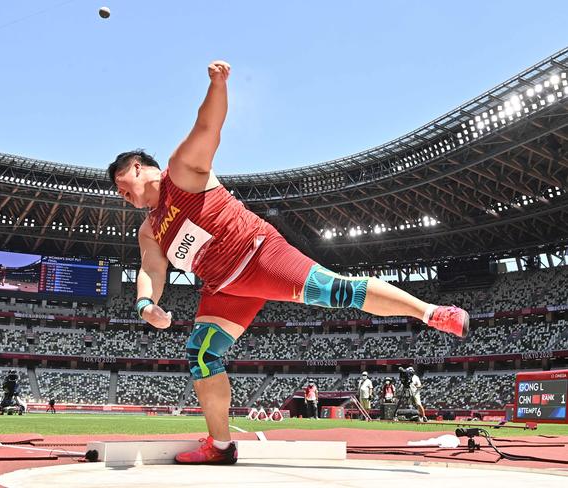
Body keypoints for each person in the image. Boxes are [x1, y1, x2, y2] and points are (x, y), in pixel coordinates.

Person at [108, 60, 469, 465]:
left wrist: (218, 85)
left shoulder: (180, 173)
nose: (122, 196)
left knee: (337, 290)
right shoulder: (149, 229)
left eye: (121, 186)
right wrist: (146, 304)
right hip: (222, 288)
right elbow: (151, 270)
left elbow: (208, 127)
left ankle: (433, 312)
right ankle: (221, 446)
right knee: (203, 354)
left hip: (259, 255)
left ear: (136, 167)